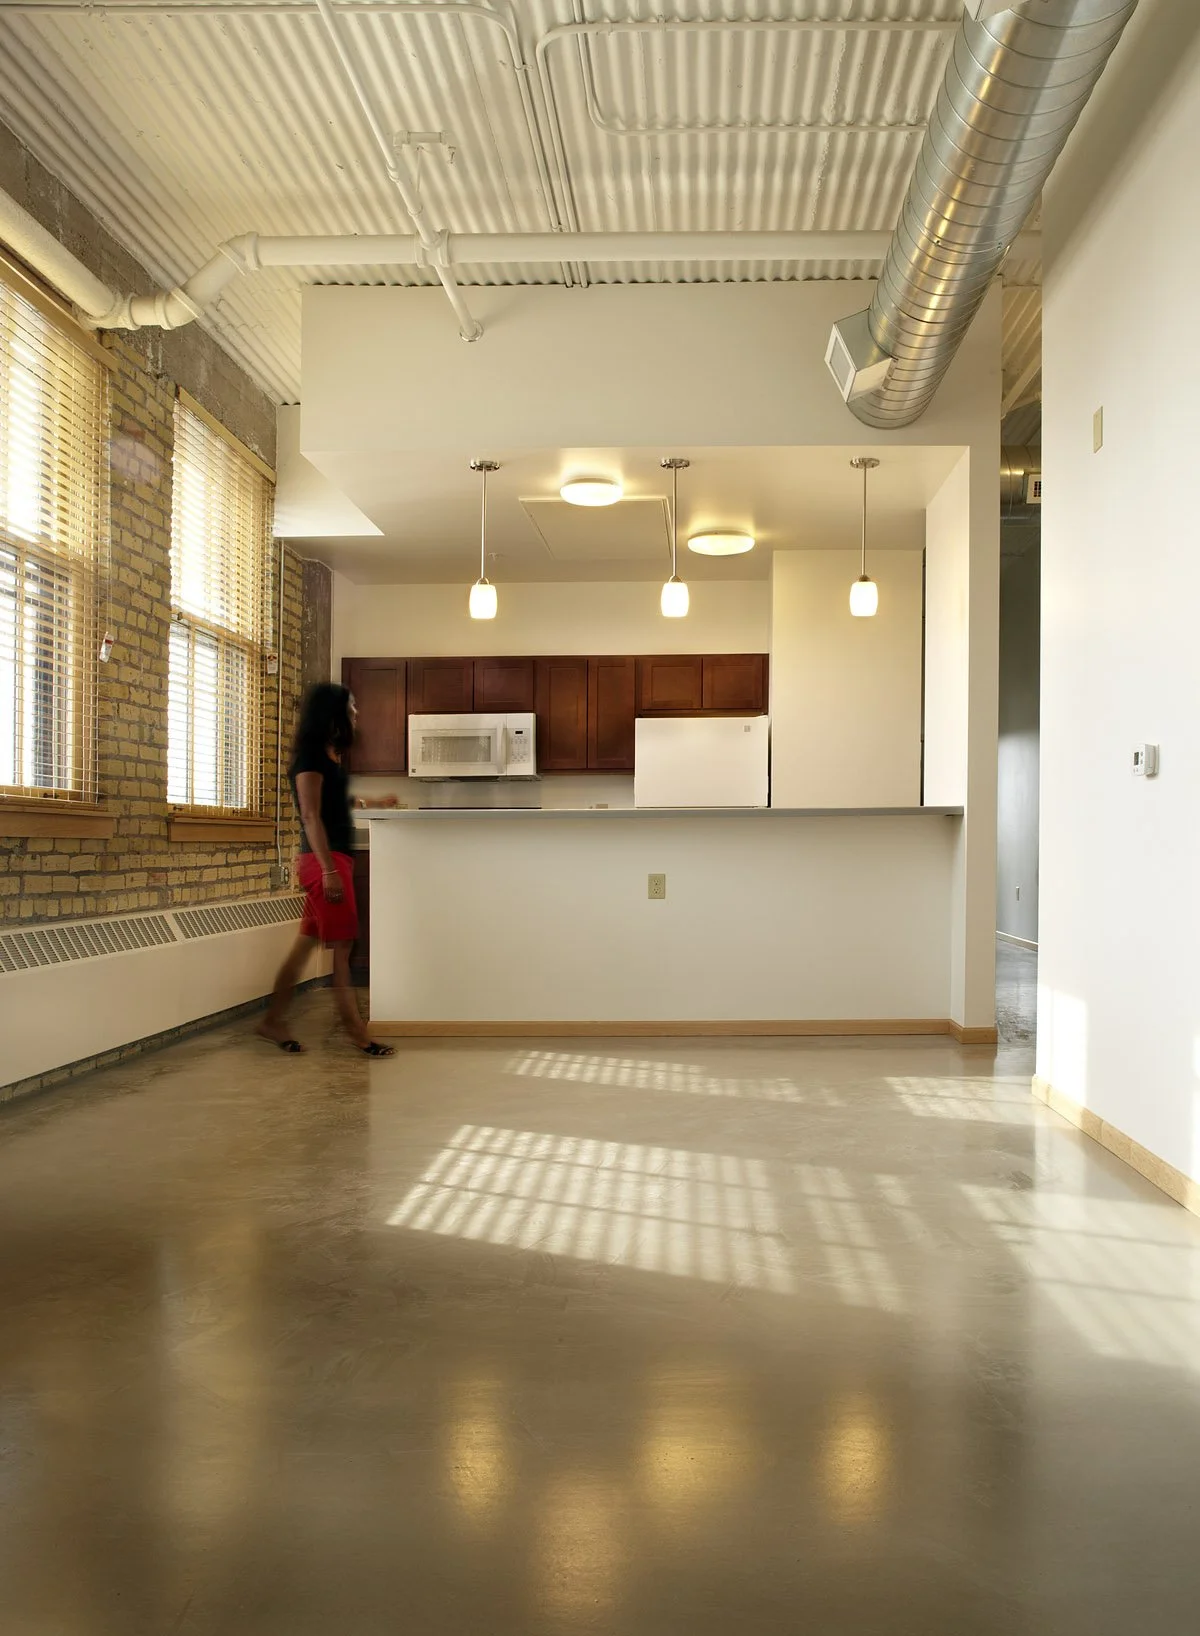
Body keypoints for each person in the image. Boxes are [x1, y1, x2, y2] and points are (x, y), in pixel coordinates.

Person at [258, 682, 396, 1056]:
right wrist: (328, 872)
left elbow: (330, 802)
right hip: (325, 862)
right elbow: (309, 814)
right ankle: (357, 1033)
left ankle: (272, 1021)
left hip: (334, 860)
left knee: (304, 946)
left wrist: (370, 800)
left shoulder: (329, 756)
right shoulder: (310, 760)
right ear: (333, 711)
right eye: (351, 706)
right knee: (344, 947)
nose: (356, 712)